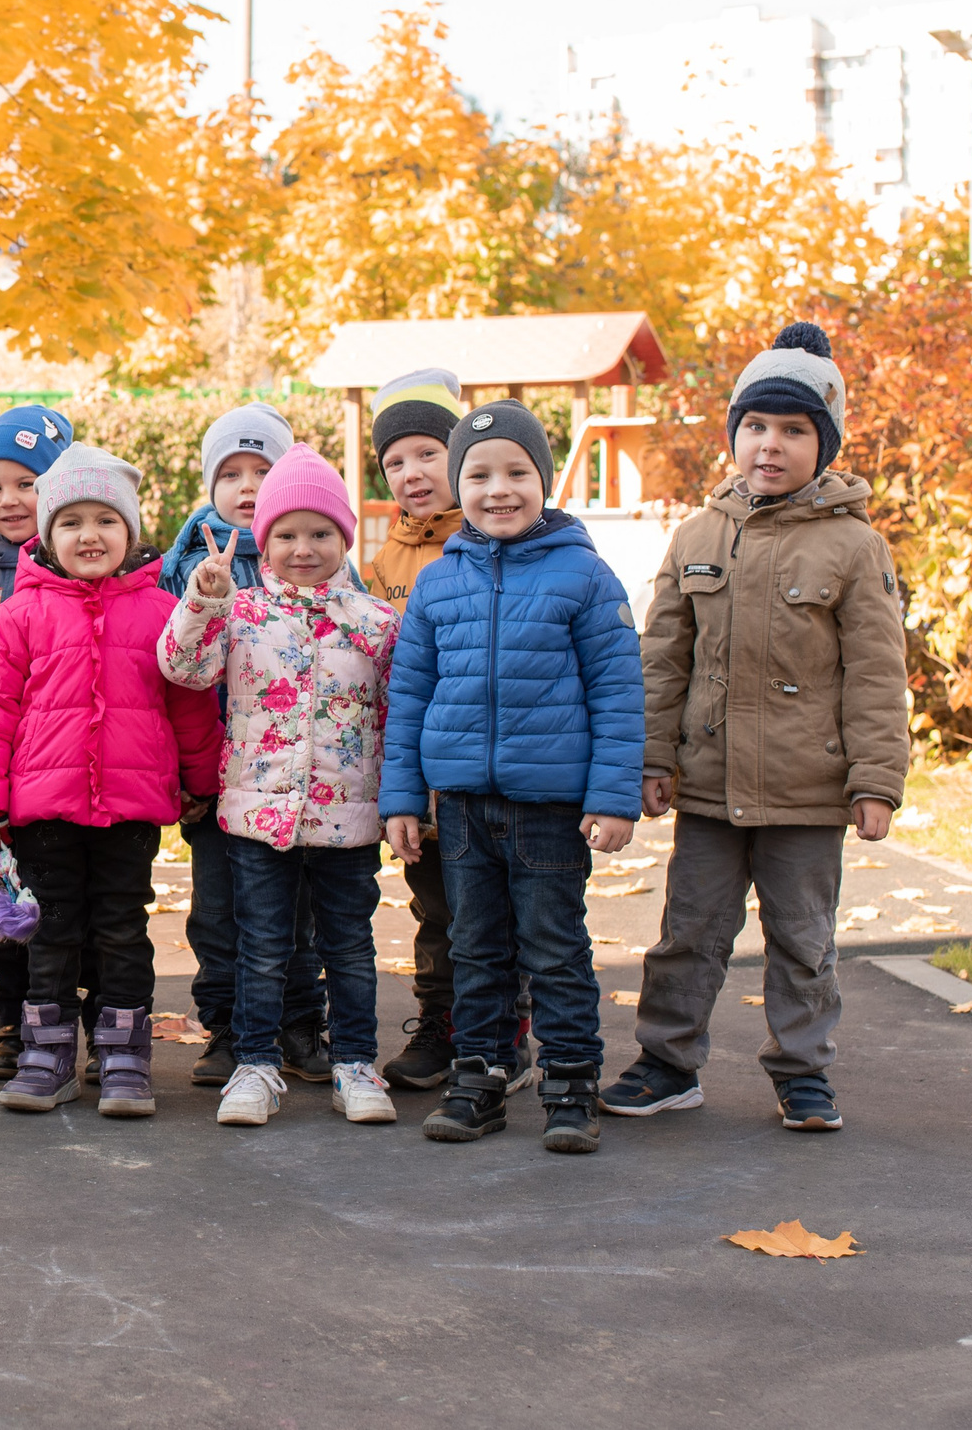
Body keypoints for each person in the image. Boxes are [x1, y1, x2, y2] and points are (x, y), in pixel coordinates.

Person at [611, 323, 909, 1133]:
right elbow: (663, 656)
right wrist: (651, 756)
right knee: (688, 931)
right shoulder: (699, 535)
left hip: (807, 791)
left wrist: (876, 780)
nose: (769, 445)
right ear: (733, 433)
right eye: (755, 426)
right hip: (708, 784)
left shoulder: (854, 546)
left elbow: (879, 672)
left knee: (804, 940)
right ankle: (668, 1062)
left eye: (793, 430)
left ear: (826, 443)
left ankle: (803, 1071)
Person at [381, 401, 645, 1154]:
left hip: (550, 807)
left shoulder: (586, 577)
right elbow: (409, 694)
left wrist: (611, 795)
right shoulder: (438, 584)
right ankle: (480, 1076)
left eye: (517, 473)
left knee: (553, 946)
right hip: (461, 806)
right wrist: (403, 795)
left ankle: (570, 1082)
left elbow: (619, 693)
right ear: (460, 486)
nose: (499, 489)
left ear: (545, 479)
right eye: (480, 474)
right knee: (475, 947)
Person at [0, 445, 225, 1119]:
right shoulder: (21, 614)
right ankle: (45, 1052)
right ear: (48, 534)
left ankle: (124, 1052)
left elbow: (188, 704)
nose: (89, 535)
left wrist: (202, 780)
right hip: (43, 810)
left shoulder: (161, 610)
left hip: (130, 810)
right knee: (50, 933)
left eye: (106, 519)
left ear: (129, 531)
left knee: (122, 931)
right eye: (71, 521)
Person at [161, 446, 398, 1128]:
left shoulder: (377, 622)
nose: (303, 548)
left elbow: (395, 714)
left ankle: (355, 1061)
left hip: (349, 817)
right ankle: (255, 1063)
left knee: (348, 947)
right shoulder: (241, 612)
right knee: (260, 946)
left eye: (320, 533)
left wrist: (405, 799)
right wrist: (203, 598)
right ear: (263, 543)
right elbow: (184, 668)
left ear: (345, 538)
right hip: (257, 817)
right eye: (286, 535)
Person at [157, 402, 332, 1088]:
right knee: (220, 912)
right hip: (215, 772)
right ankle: (227, 1028)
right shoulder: (184, 566)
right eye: (231, 471)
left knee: (297, 918)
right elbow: (173, 672)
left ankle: (296, 1022)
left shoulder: (310, 559)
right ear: (210, 485)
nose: (248, 484)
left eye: (263, 469)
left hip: (292, 776)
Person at [358, 368, 477, 1092]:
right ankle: (443, 1023)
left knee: (493, 909)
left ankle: (505, 1028)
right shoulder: (382, 563)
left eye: (428, 453)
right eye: (395, 461)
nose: (412, 473)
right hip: (418, 767)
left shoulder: (497, 531)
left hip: (489, 764)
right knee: (434, 906)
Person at [0, 402, 79, 1079]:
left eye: (26, 482)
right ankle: (12, 1022)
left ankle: (76, 1020)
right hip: (6, 783)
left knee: (80, 909)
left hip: (71, 775)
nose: (8, 499)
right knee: (13, 913)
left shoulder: (86, 566)